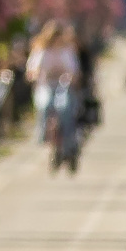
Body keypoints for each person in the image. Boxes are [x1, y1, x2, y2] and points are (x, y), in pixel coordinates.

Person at [28, 23, 84, 172]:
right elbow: (32, 70)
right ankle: (43, 134)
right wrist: (36, 75)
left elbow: (75, 72)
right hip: (46, 86)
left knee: (65, 107)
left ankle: (68, 142)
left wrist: (71, 78)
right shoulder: (41, 51)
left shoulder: (67, 51)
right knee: (45, 105)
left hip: (63, 87)